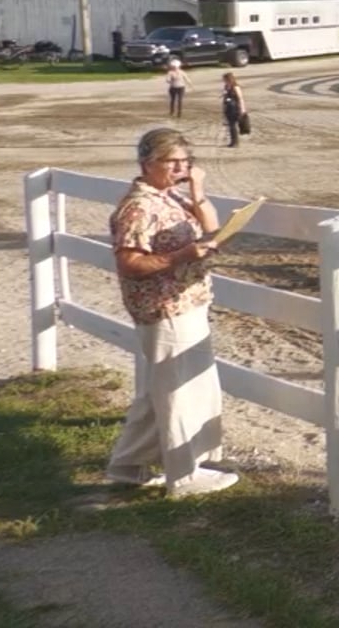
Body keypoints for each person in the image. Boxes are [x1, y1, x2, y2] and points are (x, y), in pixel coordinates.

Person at [103, 128, 238, 496]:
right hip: (165, 308)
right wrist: (182, 255)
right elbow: (129, 263)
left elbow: (213, 231)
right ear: (147, 163)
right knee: (182, 392)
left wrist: (197, 190)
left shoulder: (171, 196)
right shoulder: (139, 207)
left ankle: (127, 465)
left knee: (159, 392)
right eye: (172, 161)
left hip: (185, 302)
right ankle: (185, 476)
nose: (181, 168)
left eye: (185, 161)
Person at [221, 73, 247, 148]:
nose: (224, 81)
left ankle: (235, 142)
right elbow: (225, 97)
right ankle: (233, 141)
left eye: (225, 79)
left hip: (235, 108)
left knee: (232, 125)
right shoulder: (226, 86)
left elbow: (240, 98)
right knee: (230, 125)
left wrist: (242, 109)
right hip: (228, 108)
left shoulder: (235, 87)